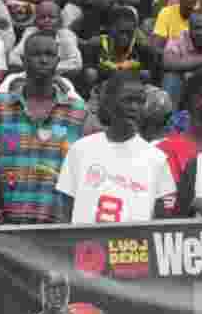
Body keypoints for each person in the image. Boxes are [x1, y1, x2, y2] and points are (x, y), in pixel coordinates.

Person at [56, 72, 176, 223]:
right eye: (127, 100)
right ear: (109, 103)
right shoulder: (80, 150)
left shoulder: (157, 159)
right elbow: (66, 209)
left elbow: (162, 220)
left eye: (140, 101)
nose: (134, 107)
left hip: (135, 246)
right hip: (86, 245)